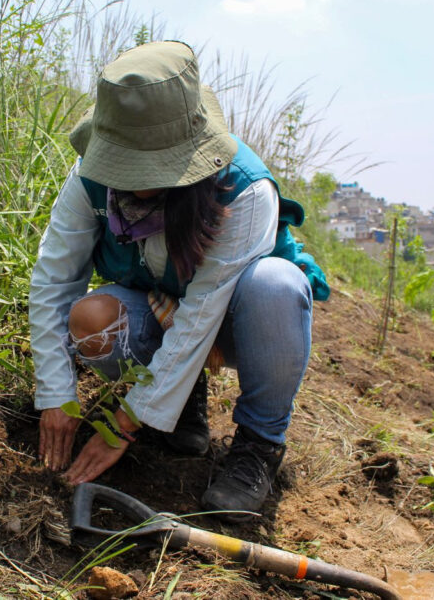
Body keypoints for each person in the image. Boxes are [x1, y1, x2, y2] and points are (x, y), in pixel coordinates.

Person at [29, 41, 329, 520]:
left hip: (238, 319)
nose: (126, 176)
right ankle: (182, 403)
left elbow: (203, 313)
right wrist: (56, 394)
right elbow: (54, 278)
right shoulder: (90, 176)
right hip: (164, 307)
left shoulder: (244, 190)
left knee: (276, 284)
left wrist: (121, 426)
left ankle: (259, 446)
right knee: (93, 318)